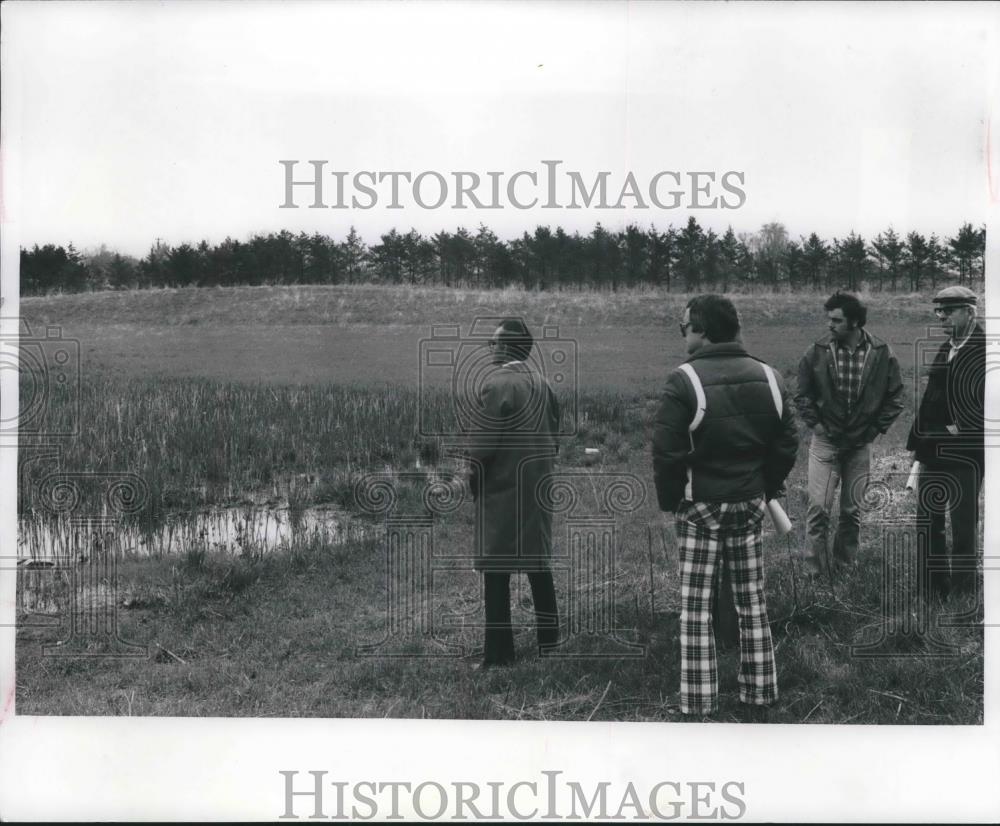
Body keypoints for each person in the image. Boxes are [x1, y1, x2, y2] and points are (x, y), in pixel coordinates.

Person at [652, 295, 798, 717]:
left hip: (700, 506)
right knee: (752, 602)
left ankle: (698, 702)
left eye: (684, 328)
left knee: (695, 608)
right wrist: (766, 485)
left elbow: (666, 452)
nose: (683, 335)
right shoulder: (770, 376)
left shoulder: (683, 381)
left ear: (701, 329)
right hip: (750, 502)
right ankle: (761, 692)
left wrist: (672, 501)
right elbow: (787, 440)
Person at [466, 318, 561, 668]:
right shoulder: (544, 384)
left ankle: (499, 654)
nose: (490, 348)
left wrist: (474, 482)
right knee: (538, 564)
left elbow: (481, 448)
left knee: (496, 569)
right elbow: (554, 435)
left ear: (507, 347)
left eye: (493, 343)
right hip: (539, 487)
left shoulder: (495, 386)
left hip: (503, 489)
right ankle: (550, 645)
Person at [795, 292, 905, 577]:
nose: (829, 325)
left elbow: (895, 396)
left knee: (851, 511)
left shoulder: (881, 352)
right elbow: (802, 395)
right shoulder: (816, 350)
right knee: (818, 507)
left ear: (854, 321)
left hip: (859, 445)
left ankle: (845, 567)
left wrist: (873, 430)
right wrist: (818, 427)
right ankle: (812, 572)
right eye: (829, 319)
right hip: (824, 444)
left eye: (836, 320)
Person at [906, 286, 985, 600]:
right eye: (938, 311)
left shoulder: (985, 351)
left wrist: (955, 430)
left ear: (969, 311)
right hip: (933, 450)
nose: (941, 316)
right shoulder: (945, 348)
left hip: (966, 455)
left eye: (948, 310)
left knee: (964, 527)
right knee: (927, 523)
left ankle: (964, 591)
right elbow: (932, 400)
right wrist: (920, 440)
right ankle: (932, 588)